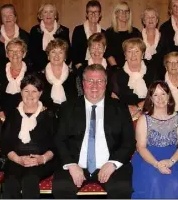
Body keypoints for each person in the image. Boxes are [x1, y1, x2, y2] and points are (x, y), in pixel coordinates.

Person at [52, 64, 136, 198]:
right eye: (90, 81)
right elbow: (59, 139)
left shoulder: (119, 108)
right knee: (62, 187)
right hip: (76, 164)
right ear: (83, 83)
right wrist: (71, 164)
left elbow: (129, 141)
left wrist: (113, 163)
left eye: (100, 81)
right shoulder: (68, 107)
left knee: (121, 188)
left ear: (106, 83)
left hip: (109, 163)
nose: (95, 86)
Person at [0, 75, 56, 199]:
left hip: (42, 161)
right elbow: (4, 143)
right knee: (10, 183)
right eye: (26, 91)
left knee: (29, 180)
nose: (30, 95)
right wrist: (18, 159)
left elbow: (55, 144)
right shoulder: (13, 114)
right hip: (16, 159)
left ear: (40, 93)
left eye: (34, 91)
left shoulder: (49, 114)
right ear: (21, 92)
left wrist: (42, 158)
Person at [131, 81, 178, 199]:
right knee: (154, 181)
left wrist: (170, 161)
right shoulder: (144, 119)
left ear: (169, 96)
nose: (160, 98)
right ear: (150, 98)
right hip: (148, 158)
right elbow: (141, 147)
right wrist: (157, 164)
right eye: (155, 95)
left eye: (163, 94)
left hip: (173, 158)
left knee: (175, 183)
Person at [112, 38, 156, 119]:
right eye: (129, 52)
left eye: (137, 51)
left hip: (149, 113)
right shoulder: (117, 74)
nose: (133, 55)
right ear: (125, 55)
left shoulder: (152, 73)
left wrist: (138, 107)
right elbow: (114, 99)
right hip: (125, 115)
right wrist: (127, 110)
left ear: (142, 54)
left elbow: (156, 96)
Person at [36, 38, 77, 113]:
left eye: (60, 52)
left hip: (70, 114)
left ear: (65, 57)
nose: (56, 56)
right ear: (48, 56)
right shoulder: (39, 76)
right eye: (53, 52)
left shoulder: (74, 75)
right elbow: (34, 97)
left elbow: (79, 97)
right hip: (46, 114)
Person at [29, 3, 70, 73]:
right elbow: (32, 53)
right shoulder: (34, 30)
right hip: (38, 70)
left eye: (51, 12)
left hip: (59, 69)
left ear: (55, 15)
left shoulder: (64, 31)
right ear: (41, 16)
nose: (48, 15)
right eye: (45, 12)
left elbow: (68, 53)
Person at [0, 38, 30, 121]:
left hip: (25, 108)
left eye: (18, 51)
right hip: (3, 110)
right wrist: (0, 111)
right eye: (11, 51)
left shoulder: (30, 72)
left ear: (24, 54)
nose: (15, 54)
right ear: (7, 54)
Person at [0, 4, 30, 74]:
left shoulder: (26, 36)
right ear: (1, 19)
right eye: (4, 16)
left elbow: (29, 60)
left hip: (21, 73)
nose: (7, 18)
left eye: (10, 15)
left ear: (15, 18)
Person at [104, 1, 141, 68]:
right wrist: (116, 68)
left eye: (126, 11)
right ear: (116, 14)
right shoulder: (109, 32)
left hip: (133, 68)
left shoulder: (136, 32)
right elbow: (107, 53)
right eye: (121, 11)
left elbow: (140, 52)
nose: (124, 13)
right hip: (114, 68)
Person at [71, 0, 105, 70]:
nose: (93, 14)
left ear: (100, 14)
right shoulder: (78, 30)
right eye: (90, 12)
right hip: (80, 67)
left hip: (99, 66)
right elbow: (74, 52)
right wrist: (80, 68)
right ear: (86, 14)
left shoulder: (104, 33)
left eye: (96, 12)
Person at [140, 7, 165, 77]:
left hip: (160, 75)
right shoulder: (138, 37)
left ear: (157, 20)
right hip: (142, 75)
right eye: (147, 17)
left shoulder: (164, 37)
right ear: (144, 21)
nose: (150, 19)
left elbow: (167, 57)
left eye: (153, 17)